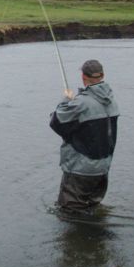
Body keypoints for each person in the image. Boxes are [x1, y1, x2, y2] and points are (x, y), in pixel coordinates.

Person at [49, 59, 119, 212]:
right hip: (103, 168)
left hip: (80, 170)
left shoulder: (80, 103)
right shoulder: (112, 101)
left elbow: (56, 122)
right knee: (93, 210)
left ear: (83, 77)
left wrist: (66, 100)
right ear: (102, 75)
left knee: (69, 214)